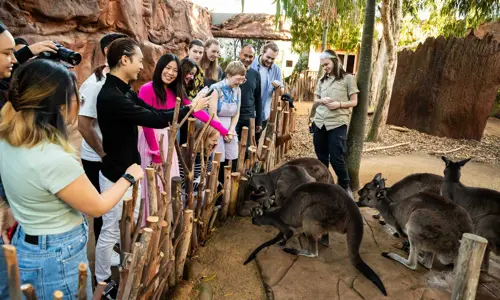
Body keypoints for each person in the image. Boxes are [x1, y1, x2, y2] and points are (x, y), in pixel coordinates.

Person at [0, 58, 144, 299]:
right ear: (60, 105)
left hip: (27, 240)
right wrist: (129, 176)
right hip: (57, 254)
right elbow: (97, 206)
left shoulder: (6, 140)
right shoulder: (52, 157)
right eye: (76, 97)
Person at [95, 37, 209, 289]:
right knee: (111, 230)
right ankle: (102, 281)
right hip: (116, 173)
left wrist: (190, 107)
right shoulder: (111, 96)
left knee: (130, 223)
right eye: (138, 60)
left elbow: (156, 114)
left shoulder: (124, 90)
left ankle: (123, 265)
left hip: (129, 171)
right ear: (124, 60)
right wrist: (191, 109)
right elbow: (153, 119)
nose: (141, 65)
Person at [137, 53, 227, 216]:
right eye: (167, 68)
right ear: (160, 68)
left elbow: (197, 112)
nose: (170, 73)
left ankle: (165, 220)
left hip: (169, 141)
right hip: (151, 143)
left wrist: (222, 130)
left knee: (167, 183)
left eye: (174, 70)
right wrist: (155, 153)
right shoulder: (146, 89)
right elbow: (145, 123)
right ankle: (148, 221)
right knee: (152, 183)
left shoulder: (176, 92)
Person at [78, 32, 128, 250]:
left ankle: (109, 248)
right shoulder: (95, 85)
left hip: (110, 155)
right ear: (110, 51)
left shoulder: (117, 83)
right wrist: (103, 154)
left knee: (112, 209)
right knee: (102, 209)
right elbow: (84, 125)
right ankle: (102, 257)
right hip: (97, 158)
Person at [310, 50, 359, 198]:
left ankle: (345, 188)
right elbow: (315, 100)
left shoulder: (348, 78)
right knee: (321, 158)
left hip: (337, 123)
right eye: (323, 65)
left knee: (337, 158)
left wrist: (338, 104)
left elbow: (354, 101)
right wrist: (321, 101)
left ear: (335, 61)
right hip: (319, 122)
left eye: (327, 64)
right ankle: (325, 186)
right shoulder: (322, 80)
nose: (325, 67)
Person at [208, 61, 246, 181]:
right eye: (238, 79)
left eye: (242, 80)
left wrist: (231, 129)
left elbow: (237, 112)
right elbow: (212, 113)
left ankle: (228, 185)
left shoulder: (238, 90)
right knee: (218, 159)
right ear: (228, 75)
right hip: (216, 127)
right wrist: (224, 132)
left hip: (230, 126)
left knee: (232, 157)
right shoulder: (215, 89)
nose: (240, 82)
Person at [178, 125, 220, 208]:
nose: (216, 143)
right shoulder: (187, 153)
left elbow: (208, 171)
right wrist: (203, 185)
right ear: (204, 137)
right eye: (214, 140)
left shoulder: (205, 152)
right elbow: (182, 183)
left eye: (217, 140)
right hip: (187, 193)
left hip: (199, 189)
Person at [250, 42, 284, 130]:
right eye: (268, 57)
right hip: (248, 112)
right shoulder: (251, 64)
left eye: (273, 59)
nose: (269, 61)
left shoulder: (276, 70)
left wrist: (278, 87)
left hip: (263, 113)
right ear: (262, 52)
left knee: (256, 140)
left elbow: (281, 93)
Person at [234, 44, 262, 146]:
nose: (247, 59)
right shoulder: (230, 72)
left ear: (254, 58)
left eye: (251, 56)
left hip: (249, 117)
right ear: (240, 54)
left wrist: (258, 121)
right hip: (233, 115)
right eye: (245, 55)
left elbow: (258, 98)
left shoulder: (255, 75)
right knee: (232, 146)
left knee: (248, 147)